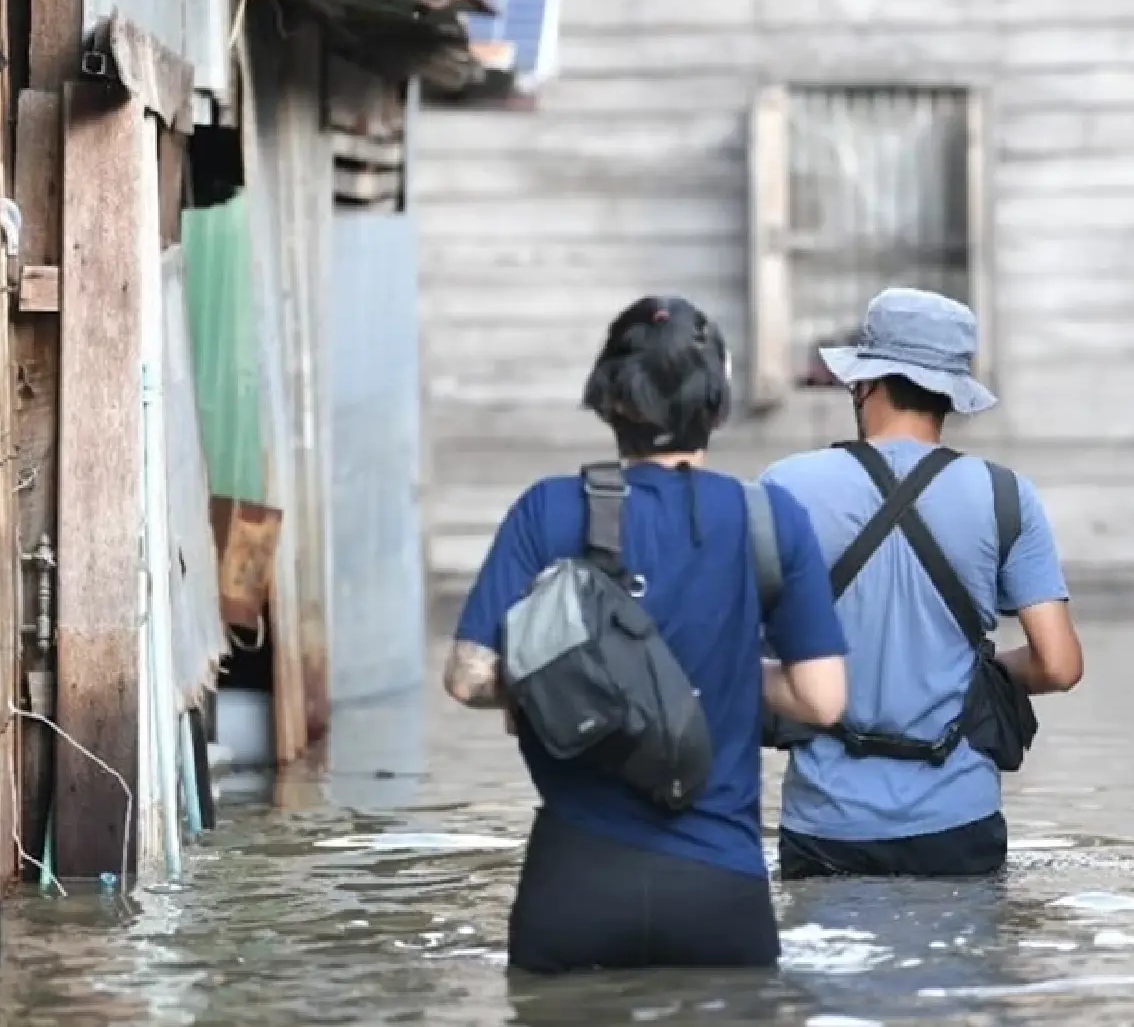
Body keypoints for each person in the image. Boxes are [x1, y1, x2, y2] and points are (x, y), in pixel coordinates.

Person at [444, 295, 848, 973]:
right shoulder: (768, 519)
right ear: (716, 405)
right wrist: (712, 663)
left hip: (572, 884)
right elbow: (822, 700)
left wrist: (562, 682)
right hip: (721, 890)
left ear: (610, 399)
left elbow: (468, 675)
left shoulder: (548, 507)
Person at [761, 287, 1084, 880]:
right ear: (951, 395)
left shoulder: (785, 487)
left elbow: (734, 645)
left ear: (865, 382)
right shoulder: (1006, 496)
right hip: (959, 820)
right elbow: (1060, 665)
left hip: (826, 824)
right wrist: (975, 672)